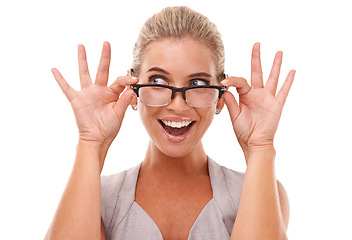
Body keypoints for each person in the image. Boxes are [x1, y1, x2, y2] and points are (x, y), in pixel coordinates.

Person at [45, 6, 295, 240]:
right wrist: (91, 142)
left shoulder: (260, 190)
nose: (178, 105)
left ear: (219, 97)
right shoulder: (95, 195)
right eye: (158, 82)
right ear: (133, 90)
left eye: (197, 84)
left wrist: (260, 146)